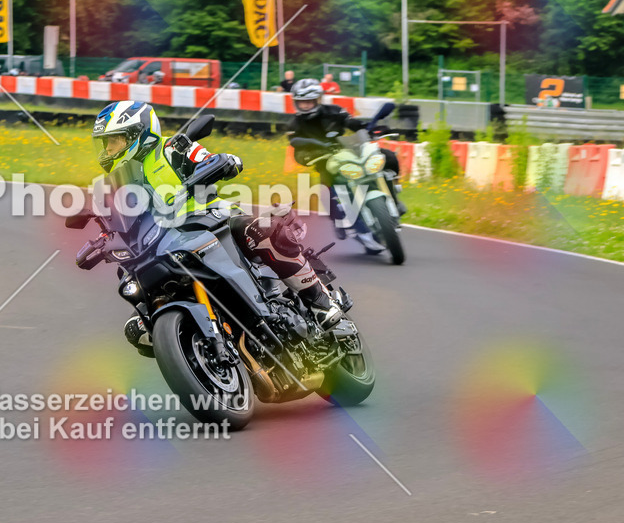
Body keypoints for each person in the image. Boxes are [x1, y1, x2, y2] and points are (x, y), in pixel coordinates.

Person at [91, 101, 343, 342]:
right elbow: (119, 221)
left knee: (262, 231)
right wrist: (102, 241)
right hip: (163, 243)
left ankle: (320, 301)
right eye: (105, 144)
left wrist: (221, 162)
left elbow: (209, 158)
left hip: (212, 219)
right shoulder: (119, 184)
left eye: (114, 141)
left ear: (139, 133)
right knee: (137, 329)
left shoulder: (172, 148)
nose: (108, 150)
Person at [288, 79, 403, 252]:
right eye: (301, 102)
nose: (305, 105)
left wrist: (369, 128)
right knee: (326, 191)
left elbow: (352, 123)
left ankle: (394, 192)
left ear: (318, 100)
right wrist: (310, 151)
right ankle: (342, 223)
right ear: (296, 102)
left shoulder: (333, 111)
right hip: (325, 160)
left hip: (348, 151)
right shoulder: (295, 124)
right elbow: (296, 143)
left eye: (309, 101)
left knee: (387, 156)